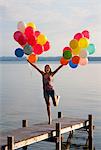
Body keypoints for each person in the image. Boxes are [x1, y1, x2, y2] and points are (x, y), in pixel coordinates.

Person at [27, 60, 63, 124]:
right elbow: (36, 67)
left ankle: (57, 98)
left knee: (55, 104)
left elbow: (59, 68)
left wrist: (63, 63)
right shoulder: (43, 74)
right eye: (46, 68)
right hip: (45, 91)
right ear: (45, 69)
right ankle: (49, 118)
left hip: (51, 91)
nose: (47, 69)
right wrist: (30, 62)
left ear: (49, 69)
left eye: (48, 68)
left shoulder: (52, 74)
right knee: (48, 105)